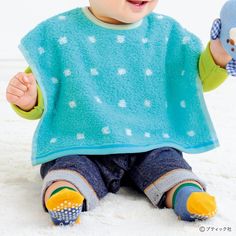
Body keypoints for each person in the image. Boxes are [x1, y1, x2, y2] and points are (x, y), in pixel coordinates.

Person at [6, 0, 233, 226]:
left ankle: (187, 194)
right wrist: (29, 98)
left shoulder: (166, 34)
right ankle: (63, 194)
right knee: (68, 169)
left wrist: (220, 52)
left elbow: (194, 78)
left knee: (171, 167)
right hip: (83, 143)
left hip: (151, 142)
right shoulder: (60, 33)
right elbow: (44, 88)